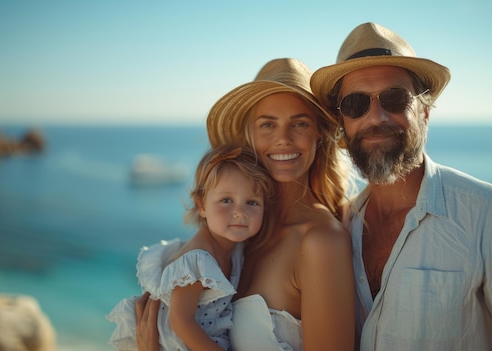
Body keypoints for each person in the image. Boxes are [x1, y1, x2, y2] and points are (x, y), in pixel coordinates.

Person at [310, 22, 492, 350]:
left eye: (394, 98)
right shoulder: (340, 227)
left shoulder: (489, 213)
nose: (376, 117)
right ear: (342, 122)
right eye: (356, 104)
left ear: (425, 111)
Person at [136, 58, 357, 351]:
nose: (283, 139)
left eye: (299, 123)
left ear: (319, 133)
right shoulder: (238, 231)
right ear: (249, 133)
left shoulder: (320, 241)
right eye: (268, 124)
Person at [107, 144, 277, 351]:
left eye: (252, 202)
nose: (240, 212)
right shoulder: (198, 259)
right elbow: (180, 322)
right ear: (201, 205)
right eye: (226, 200)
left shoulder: (234, 248)